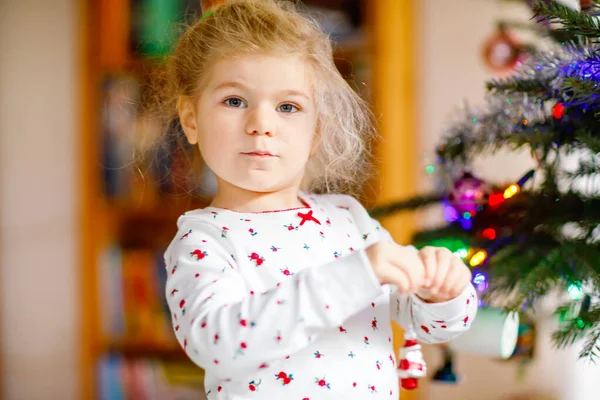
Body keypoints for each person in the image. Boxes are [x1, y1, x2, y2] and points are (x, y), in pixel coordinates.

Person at [155, 1, 478, 398]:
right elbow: (218, 344)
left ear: (317, 132)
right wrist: (355, 276)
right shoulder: (204, 241)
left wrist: (444, 293)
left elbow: (427, 324)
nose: (262, 125)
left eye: (288, 107)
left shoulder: (348, 218)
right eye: (235, 101)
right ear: (190, 119)